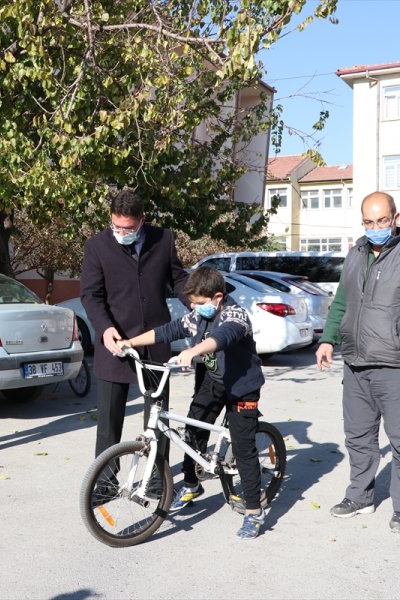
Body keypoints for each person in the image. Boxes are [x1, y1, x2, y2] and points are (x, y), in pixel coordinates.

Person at [316, 191, 400, 534]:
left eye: (382, 221)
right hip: (356, 363)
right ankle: (360, 497)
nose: (375, 228)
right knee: (358, 437)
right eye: (369, 222)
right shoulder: (355, 254)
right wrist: (328, 339)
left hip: (397, 365)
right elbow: (342, 302)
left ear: (395, 218)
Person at [119, 266, 268, 540]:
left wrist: (194, 350)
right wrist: (130, 342)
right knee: (193, 429)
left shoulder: (235, 315)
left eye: (199, 303)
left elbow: (224, 336)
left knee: (243, 448)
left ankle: (254, 511)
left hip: (242, 387)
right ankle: (191, 485)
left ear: (218, 297)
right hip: (215, 380)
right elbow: (168, 330)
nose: (194, 308)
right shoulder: (198, 316)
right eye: (192, 303)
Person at [80, 189, 189, 464]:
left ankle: (158, 478)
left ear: (142, 219)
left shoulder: (164, 239)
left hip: (154, 343)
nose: (121, 232)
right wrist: (104, 328)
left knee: (158, 420)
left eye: (128, 228)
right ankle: (105, 481)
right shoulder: (96, 247)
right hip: (115, 345)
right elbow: (91, 295)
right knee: (108, 423)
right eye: (116, 226)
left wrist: (198, 304)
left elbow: (178, 279)